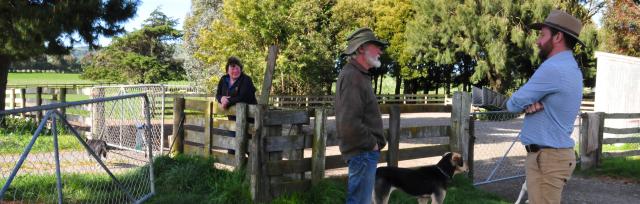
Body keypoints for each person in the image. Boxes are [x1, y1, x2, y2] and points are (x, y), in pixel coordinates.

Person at [506, 10, 584, 204]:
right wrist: (528, 104)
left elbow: (513, 104)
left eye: (542, 35)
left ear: (557, 37)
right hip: (552, 158)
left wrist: (524, 104)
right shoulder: (571, 67)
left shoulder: (553, 68)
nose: (537, 41)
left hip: (547, 160)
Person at [334, 27, 388, 204]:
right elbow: (349, 123)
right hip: (363, 152)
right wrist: (371, 144)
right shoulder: (352, 76)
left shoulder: (358, 75)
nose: (380, 51)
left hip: (363, 153)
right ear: (361, 49)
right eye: (376, 46)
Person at [215, 56, 257, 154]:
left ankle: (250, 167)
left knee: (249, 146)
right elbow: (218, 94)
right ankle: (236, 167)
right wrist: (221, 98)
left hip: (249, 119)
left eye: (237, 68)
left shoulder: (246, 80)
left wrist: (228, 102)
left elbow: (243, 97)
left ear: (241, 69)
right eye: (232, 68)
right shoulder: (223, 80)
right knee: (232, 145)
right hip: (233, 120)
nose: (235, 70)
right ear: (227, 70)